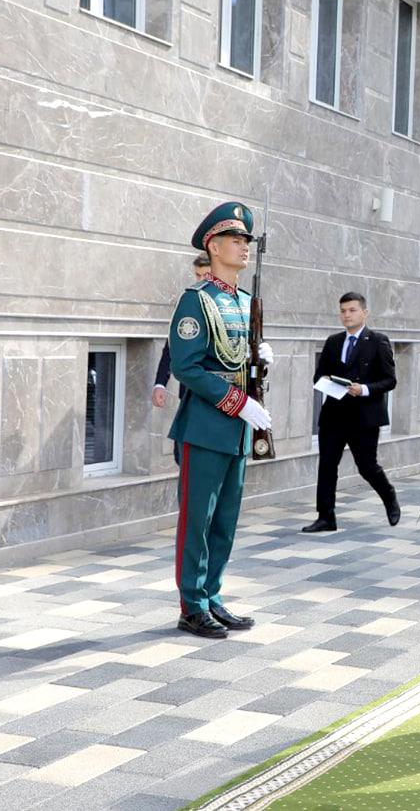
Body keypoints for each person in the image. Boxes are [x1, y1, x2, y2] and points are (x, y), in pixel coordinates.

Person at [167, 202, 274, 639]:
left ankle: (211, 596)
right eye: (236, 239)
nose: (244, 247)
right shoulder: (196, 301)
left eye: (247, 240)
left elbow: (240, 362)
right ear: (212, 245)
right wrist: (238, 401)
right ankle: (191, 604)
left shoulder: (245, 302)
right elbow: (187, 367)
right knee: (198, 519)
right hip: (207, 427)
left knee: (225, 518)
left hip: (238, 430)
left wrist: (261, 363)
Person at [306, 293, 400, 532]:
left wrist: (365, 389)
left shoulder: (378, 341)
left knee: (367, 466)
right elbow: (318, 376)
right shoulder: (333, 341)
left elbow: (389, 380)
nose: (346, 315)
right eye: (343, 311)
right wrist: (325, 380)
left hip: (364, 417)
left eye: (352, 310)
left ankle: (389, 496)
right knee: (327, 465)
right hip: (334, 414)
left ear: (364, 313)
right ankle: (326, 516)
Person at [153, 253, 212, 412]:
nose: (200, 281)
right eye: (197, 275)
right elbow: (173, 346)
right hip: (190, 395)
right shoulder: (190, 302)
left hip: (219, 395)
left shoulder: (232, 303)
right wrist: (160, 383)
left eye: (206, 276)